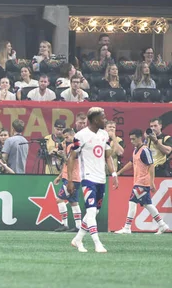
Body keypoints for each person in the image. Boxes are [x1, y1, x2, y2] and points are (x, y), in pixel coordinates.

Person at [68, 107, 119, 253]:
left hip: (101, 179)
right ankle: (97, 243)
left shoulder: (104, 135)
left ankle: (77, 239)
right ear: (95, 120)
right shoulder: (80, 135)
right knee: (90, 211)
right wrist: (71, 180)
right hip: (88, 178)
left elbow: (107, 155)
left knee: (94, 212)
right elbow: (72, 157)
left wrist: (114, 174)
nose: (105, 120)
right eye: (103, 118)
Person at [114, 129, 170, 235]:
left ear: (140, 138)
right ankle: (162, 225)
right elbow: (131, 163)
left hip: (142, 182)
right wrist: (119, 172)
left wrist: (152, 182)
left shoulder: (145, 150)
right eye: (130, 139)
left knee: (132, 201)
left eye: (133, 139)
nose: (131, 141)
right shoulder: (136, 150)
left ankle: (127, 227)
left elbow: (151, 165)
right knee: (147, 204)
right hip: (138, 181)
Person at [53, 128, 82, 232]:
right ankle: (78, 226)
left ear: (73, 135)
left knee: (60, 199)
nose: (66, 139)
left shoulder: (75, 146)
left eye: (67, 137)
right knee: (73, 202)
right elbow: (66, 165)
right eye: (64, 138)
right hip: (72, 177)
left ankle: (64, 224)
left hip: (72, 178)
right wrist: (60, 176)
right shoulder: (70, 146)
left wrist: (62, 155)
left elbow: (70, 162)